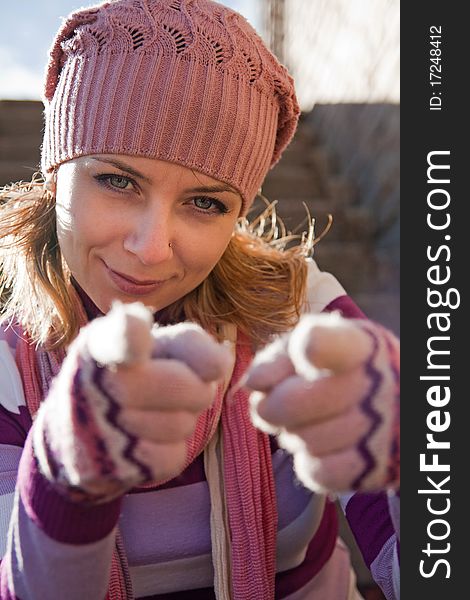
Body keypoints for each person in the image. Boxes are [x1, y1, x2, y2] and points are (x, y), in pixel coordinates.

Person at [0, 0, 400, 598]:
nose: (151, 247)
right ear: (56, 173)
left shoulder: (297, 313)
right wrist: (63, 476)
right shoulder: (8, 367)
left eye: (206, 203)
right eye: (116, 180)